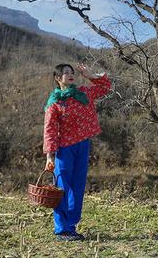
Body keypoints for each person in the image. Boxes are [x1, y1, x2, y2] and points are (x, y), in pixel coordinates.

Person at [43, 62, 111, 241]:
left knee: (77, 188)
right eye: (65, 73)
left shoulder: (83, 93)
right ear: (58, 78)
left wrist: (90, 76)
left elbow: (106, 87)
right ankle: (62, 229)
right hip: (64, 149)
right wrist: (50, 156)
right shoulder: (55, 102)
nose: (70, 74)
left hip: (83, 145)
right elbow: (49, 130)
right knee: (62, 188)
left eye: (71, 72)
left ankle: (71, 227)